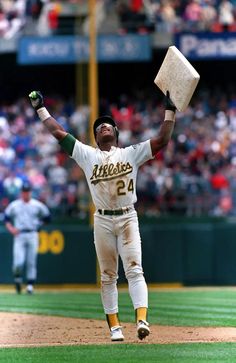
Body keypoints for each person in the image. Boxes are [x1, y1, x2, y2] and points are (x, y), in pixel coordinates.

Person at [28, 89, 177, 341]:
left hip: (128, 216)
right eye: (99, 127)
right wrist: (40, 108)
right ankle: (115, 328)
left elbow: (162, 140)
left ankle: (141, 319)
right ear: (96, 137)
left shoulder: (130, 153)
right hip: (103, 219)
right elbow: (58, 133)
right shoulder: (88, 155)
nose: (104, 127)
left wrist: (170, 111)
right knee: (108, 275)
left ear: (116, 133)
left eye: (108, 125)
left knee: (134, 269)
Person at [4, 181, 51, 294]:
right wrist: (11, 229)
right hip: (19, 234)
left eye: (27, 191)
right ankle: (17, 279)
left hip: (32, 234)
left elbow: (48, 217)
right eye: (24, 191)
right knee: (18, 262)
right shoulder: (15, 204)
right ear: (21, 192)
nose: (26, 193)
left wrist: (40, 226)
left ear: (30, 192)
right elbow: (6, 218)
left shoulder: (37, 204)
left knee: (31, 261)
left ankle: (30, 286)